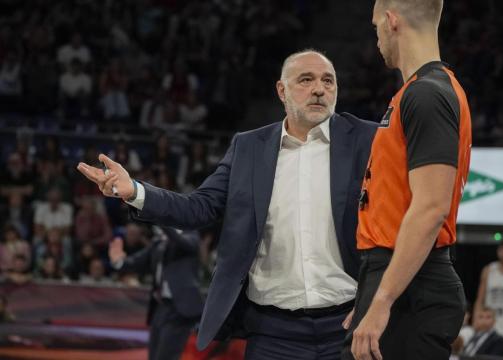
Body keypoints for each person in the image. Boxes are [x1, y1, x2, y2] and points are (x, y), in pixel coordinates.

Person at [77, 50, 378, 359]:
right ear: (281, 90)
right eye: (306, 79)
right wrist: (135, 191)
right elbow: (199, 208)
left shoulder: (367, 139)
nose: (319, 89)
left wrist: (377, 303)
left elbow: (394, 224)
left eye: (328, 81)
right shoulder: (248, 147)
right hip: (272, 332)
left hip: (349, 325)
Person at [343, 1, 472, 359]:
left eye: (375, 26)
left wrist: (383, 299)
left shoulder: (427, 94)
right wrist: (374, 294)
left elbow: (431, 208)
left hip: (414, 290)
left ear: (391, 21)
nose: (377, 37)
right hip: (402, 281)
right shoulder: (420, 91)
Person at [109, 226, 203, 360]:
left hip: (179, 310)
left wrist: (164, 221)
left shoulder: (191, 234)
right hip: (160, 307)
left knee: (165, 357)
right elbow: (137, 262)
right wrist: (118, 262)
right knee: (153, 356)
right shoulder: (159, 242)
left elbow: (182, 242)